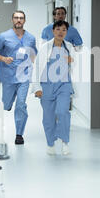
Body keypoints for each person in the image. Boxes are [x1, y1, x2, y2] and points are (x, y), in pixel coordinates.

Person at [0, 11, 38, 145]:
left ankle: (19, 134)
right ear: (12, 20)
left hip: (24, 76)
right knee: (5, 104)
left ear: (24, 20)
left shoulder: (31, 38)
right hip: (8, 75)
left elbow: (33, 53)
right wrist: (3, 58)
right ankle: (9, 104)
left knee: (21, 104)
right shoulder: (3, 36)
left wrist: (31, 66)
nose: (19, 20)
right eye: (16, 18)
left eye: (21, 18)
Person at [31, 20, 76, 156]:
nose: (61, 32)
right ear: (53, 31)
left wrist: (72, 61)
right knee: (48, 117)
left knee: (63, 112)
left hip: (64, 84)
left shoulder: (69, 47)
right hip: (46, 86)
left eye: (63, 30)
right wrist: (37, 87)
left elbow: (74, 65)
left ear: (66, 32)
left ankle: (65, 142)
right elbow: (37, 68)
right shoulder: (45, 47)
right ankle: (50, 143)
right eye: (58, 29)